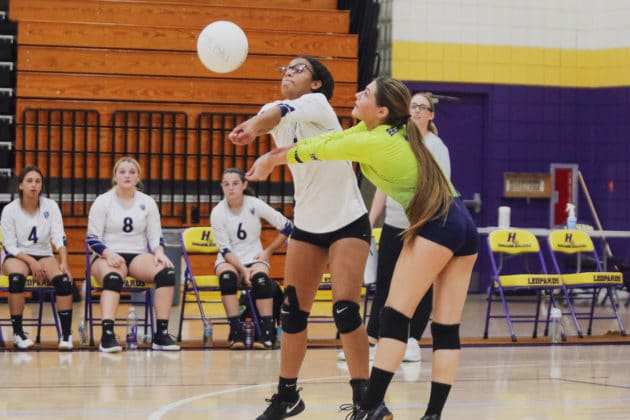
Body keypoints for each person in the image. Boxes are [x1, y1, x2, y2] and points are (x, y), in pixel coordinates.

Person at [245, 76, 478, 420]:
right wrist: (275, 154)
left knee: (394, 318)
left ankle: (369, 407)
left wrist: (272, 160)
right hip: (462, 226)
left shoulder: (374, 142)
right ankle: (431, 415)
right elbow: (332, 138)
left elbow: (320, 150)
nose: (356, 94)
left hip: (437, 225)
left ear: (381, 110)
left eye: (365, 93)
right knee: (445, 329)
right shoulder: (377, 133)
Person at [229, 56, 372, 419]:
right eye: (285, 69)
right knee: (292, 313)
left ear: (316, 83)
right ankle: (287, 397)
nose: (288, 73)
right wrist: (255, 133)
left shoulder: (316, 105)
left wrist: (255, 128)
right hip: (308, 223)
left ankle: (365, 400)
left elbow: (274, 115)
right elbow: (269, 120)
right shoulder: (275, 109)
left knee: (345, 309)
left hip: (347, 221)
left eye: (298, 69)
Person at [340, 92, 451, 363]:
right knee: (386, 282)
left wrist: (427, 222)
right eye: (413, 106)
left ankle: (412, 339)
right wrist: (369, 221)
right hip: (393, 224)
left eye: (423, 108)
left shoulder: (436, 146)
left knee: (420, 284)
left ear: (431, 114)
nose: (417, 111)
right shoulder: (398, 141)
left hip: (422, 226)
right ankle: (373, 338)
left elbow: (443, 188)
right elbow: (383, 185)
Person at [86, 156, 180, 353]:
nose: (127, 175)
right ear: (115, 177)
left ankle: (161, 335)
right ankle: (108, 336)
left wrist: (159, 252)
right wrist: (107, 252)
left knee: (167, 273)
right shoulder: (103, 201)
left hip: (137, 256)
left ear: (138, 177)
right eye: (122, 172)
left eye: (132, 172)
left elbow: (156, 237)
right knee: (113, 278)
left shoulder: (147, 202)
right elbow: (92, 239)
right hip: (105, 255)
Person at [210, 167, 293, 350]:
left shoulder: (254, 205)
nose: (231, 188)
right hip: (229, 260)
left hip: (255, 257)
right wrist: (242, 270)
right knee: (227, 279)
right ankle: (236, 332)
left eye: (235, 183)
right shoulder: (218, 212)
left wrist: (268, 251)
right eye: (226, 184)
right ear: (221, 187)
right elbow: (225, 250)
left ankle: (266, 334)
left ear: (244, 184)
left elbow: (287, 227)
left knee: (262, 281)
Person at [0, 165, 75, 350]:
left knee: (64, 281)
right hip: (16, 254)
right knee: (16, 279)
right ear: (20, 186)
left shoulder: (51, 206)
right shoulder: (10, 210)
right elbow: (9, 245)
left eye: (38, 181)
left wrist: (64, 262)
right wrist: (31, 261)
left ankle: (66, 336)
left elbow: (59, 236)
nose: (34, 185)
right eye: (29, 181)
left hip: (44, 253)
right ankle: (18, 333)